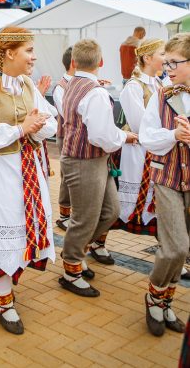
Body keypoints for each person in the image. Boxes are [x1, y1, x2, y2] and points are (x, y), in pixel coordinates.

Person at [0, 27, 57, 335]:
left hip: (26, 168)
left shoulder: (27, 83)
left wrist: (37, 124)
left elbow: (49, 120)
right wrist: (22, 128)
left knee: (24, 227)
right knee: (2, 233)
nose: (33, 56)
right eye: (28, 50)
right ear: (8, 54)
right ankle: (4, 302)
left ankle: (7, 283)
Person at [59, 39, 137, 298]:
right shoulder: (95, 92)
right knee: (84, 218)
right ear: (101, 63)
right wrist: (124, 137)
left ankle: (76, 250)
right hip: (84, 161)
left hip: (87, 159)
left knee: (110, 210)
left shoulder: (72, 84)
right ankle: (71, 270)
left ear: (74, 62)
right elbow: (101, 136)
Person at [139, 33, 190, 337]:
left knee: (183, 251)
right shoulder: (161, 94)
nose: (168, 68)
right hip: (168, 179)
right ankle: (153, 296)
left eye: (175, 62)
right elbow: (147, 137)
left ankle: (165, 302)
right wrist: (175, 135)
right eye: (166, 62)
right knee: (176, 247)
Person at [115, 39, 165, 236]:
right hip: (137, 151)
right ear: (147, 58)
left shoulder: (159, 83)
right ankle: (98, 241)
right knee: (125, 205)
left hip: (155, 149)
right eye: (162, 54)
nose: (165, 59)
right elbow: (140, 125)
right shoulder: (134, 86)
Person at [53, 47, 74, 230]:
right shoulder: (60, 86)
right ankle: (63, 215)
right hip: (66, 135)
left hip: (79, 136)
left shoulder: (79, 82)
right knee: (67, 174)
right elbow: (67, 114)